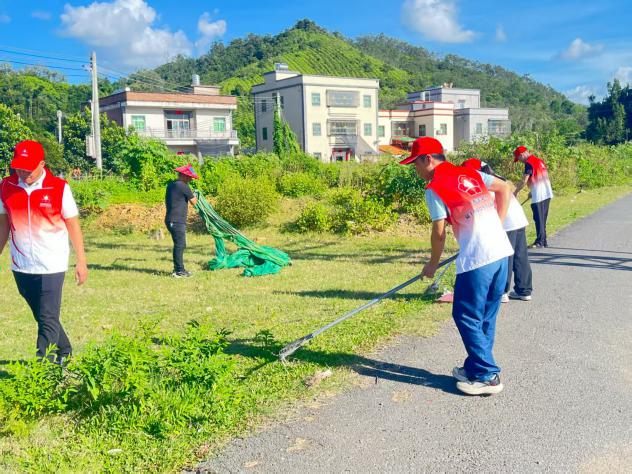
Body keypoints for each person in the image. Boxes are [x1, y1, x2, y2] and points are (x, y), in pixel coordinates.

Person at [400, 137, 513, 396]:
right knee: (485, 314)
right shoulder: (470, 173)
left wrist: (432, 265)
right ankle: (475, 368)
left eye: (415, 163)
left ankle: (487, 376)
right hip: (501, 251)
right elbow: (505, 188)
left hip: (478, 258)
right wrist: (496, 224)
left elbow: (439, 233)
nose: (415, 169)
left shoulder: (434, 188)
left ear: (428, 159)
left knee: (465, 314)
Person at [0, 140, 88, 363]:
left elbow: (73, 224)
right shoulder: (6, 187)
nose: (23, 173)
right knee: (42, 314)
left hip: (52, 263)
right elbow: (3, 224)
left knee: (48, 316)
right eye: (19, 168)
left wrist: (81, 260)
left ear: (41, 164)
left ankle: (42, 369)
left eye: (28, 169)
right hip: (21, 264)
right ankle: (65, 350)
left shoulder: (59, 187)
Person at [462, 158, 533, 303]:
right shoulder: (497, 178)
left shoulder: (485, 184)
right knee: (520, 255)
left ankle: (502, 292)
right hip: (518, 219)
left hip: (507, 222)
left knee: (505, 257)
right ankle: (524, 290)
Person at [512, 146, 553, 248]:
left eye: (518, 158)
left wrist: (515, 192)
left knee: (538, 219)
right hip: (547, 192)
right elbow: (538, 176)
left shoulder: (529, 163)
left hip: (539, 195)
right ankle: (543, 241)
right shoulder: (539, 160)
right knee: (542, 218)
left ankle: (539, 242)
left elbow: (524, 180)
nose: (520, 161)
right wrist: (532, 191)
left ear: (522, 155)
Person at [165, 164, 198, 278]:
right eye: (189, 177)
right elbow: (194, 202)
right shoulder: (183, 186)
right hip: (177, 220)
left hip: (171, 219)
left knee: (179, 244)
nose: (190, 179)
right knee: (180, 245)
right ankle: (179, 271)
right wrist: (196, 195)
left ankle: (179, 269)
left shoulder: (172, 184)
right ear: (183, 175)